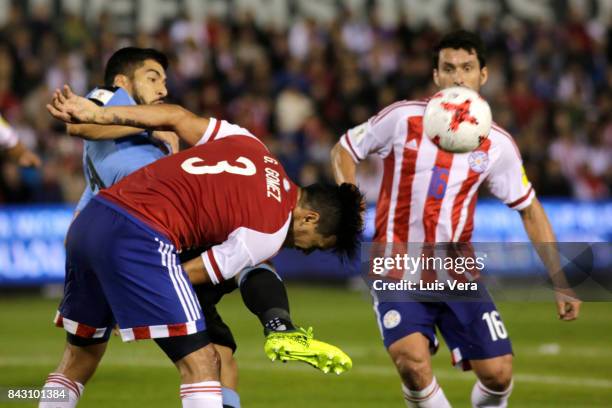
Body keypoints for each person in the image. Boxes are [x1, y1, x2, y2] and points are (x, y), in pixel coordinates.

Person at [44, 85, 363, 407]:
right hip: (138, 236)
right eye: (317, 245)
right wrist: (129, 290)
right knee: (204, 363)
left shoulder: (252, 145)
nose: (305, 250)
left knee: (78, 360)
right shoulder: (269, 231)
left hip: (91, 220)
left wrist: (97, 114)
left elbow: (175, 115)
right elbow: (190, 273)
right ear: (310, 218)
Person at [330, 30, 581, 408]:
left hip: (456, 268)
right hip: (396, 262)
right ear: (436, 76)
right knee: (412, 363)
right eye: (449, 69)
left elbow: (529, 208)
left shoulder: (497, 144)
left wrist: (560, 280)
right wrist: (349, 193)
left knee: (498, 375)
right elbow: (344, 149)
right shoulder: (402, 118)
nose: (458, 77)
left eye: (467, 68)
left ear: (483, 75)